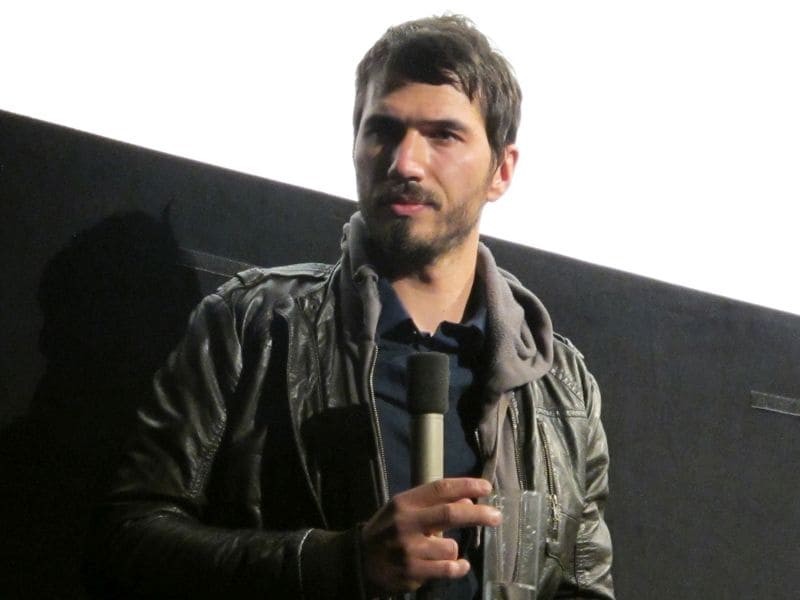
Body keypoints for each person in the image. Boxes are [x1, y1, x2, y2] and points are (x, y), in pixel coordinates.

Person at [84, 14, 614, 600]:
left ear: (501, 170)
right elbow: (127, 539)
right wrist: (339, 563)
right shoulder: (251, 326)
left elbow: (584, 587)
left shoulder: (561, 387)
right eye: (383, 129)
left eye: (443, 135)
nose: (405, 163)